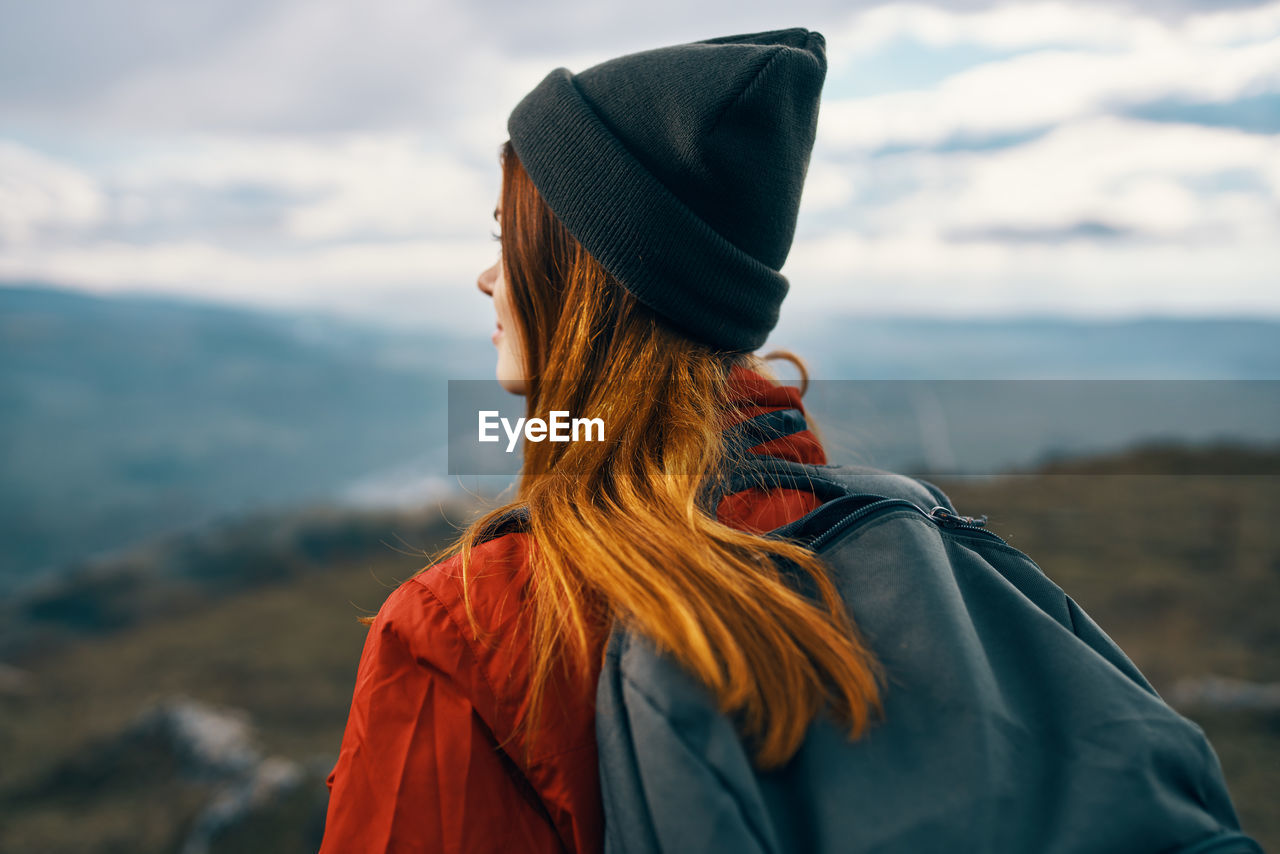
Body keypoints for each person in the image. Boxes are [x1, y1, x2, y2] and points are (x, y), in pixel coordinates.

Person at [319, 28, 884, 852]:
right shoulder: (870, 543)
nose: (486, 278)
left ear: (588, 275)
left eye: (505, 238)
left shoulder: (464, 626)